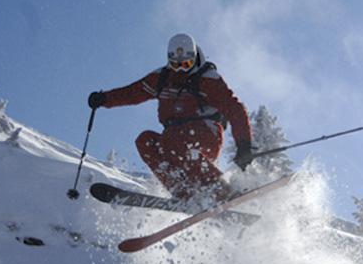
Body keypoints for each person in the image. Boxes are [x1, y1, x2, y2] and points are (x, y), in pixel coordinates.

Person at [88, 33, 253, 203]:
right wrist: (104, 99)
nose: (181, 69)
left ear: (194, 59)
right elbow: (132, 93)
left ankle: (223, 191)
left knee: (177, 142)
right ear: (169, 61)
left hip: (205, 133)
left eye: (186, 64)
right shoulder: (161, 79)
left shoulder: (208, 79)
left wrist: (244, 145)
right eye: (176, 65)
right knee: (145, 141)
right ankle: (183, 192)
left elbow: (235, 109)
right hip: (173, 138)